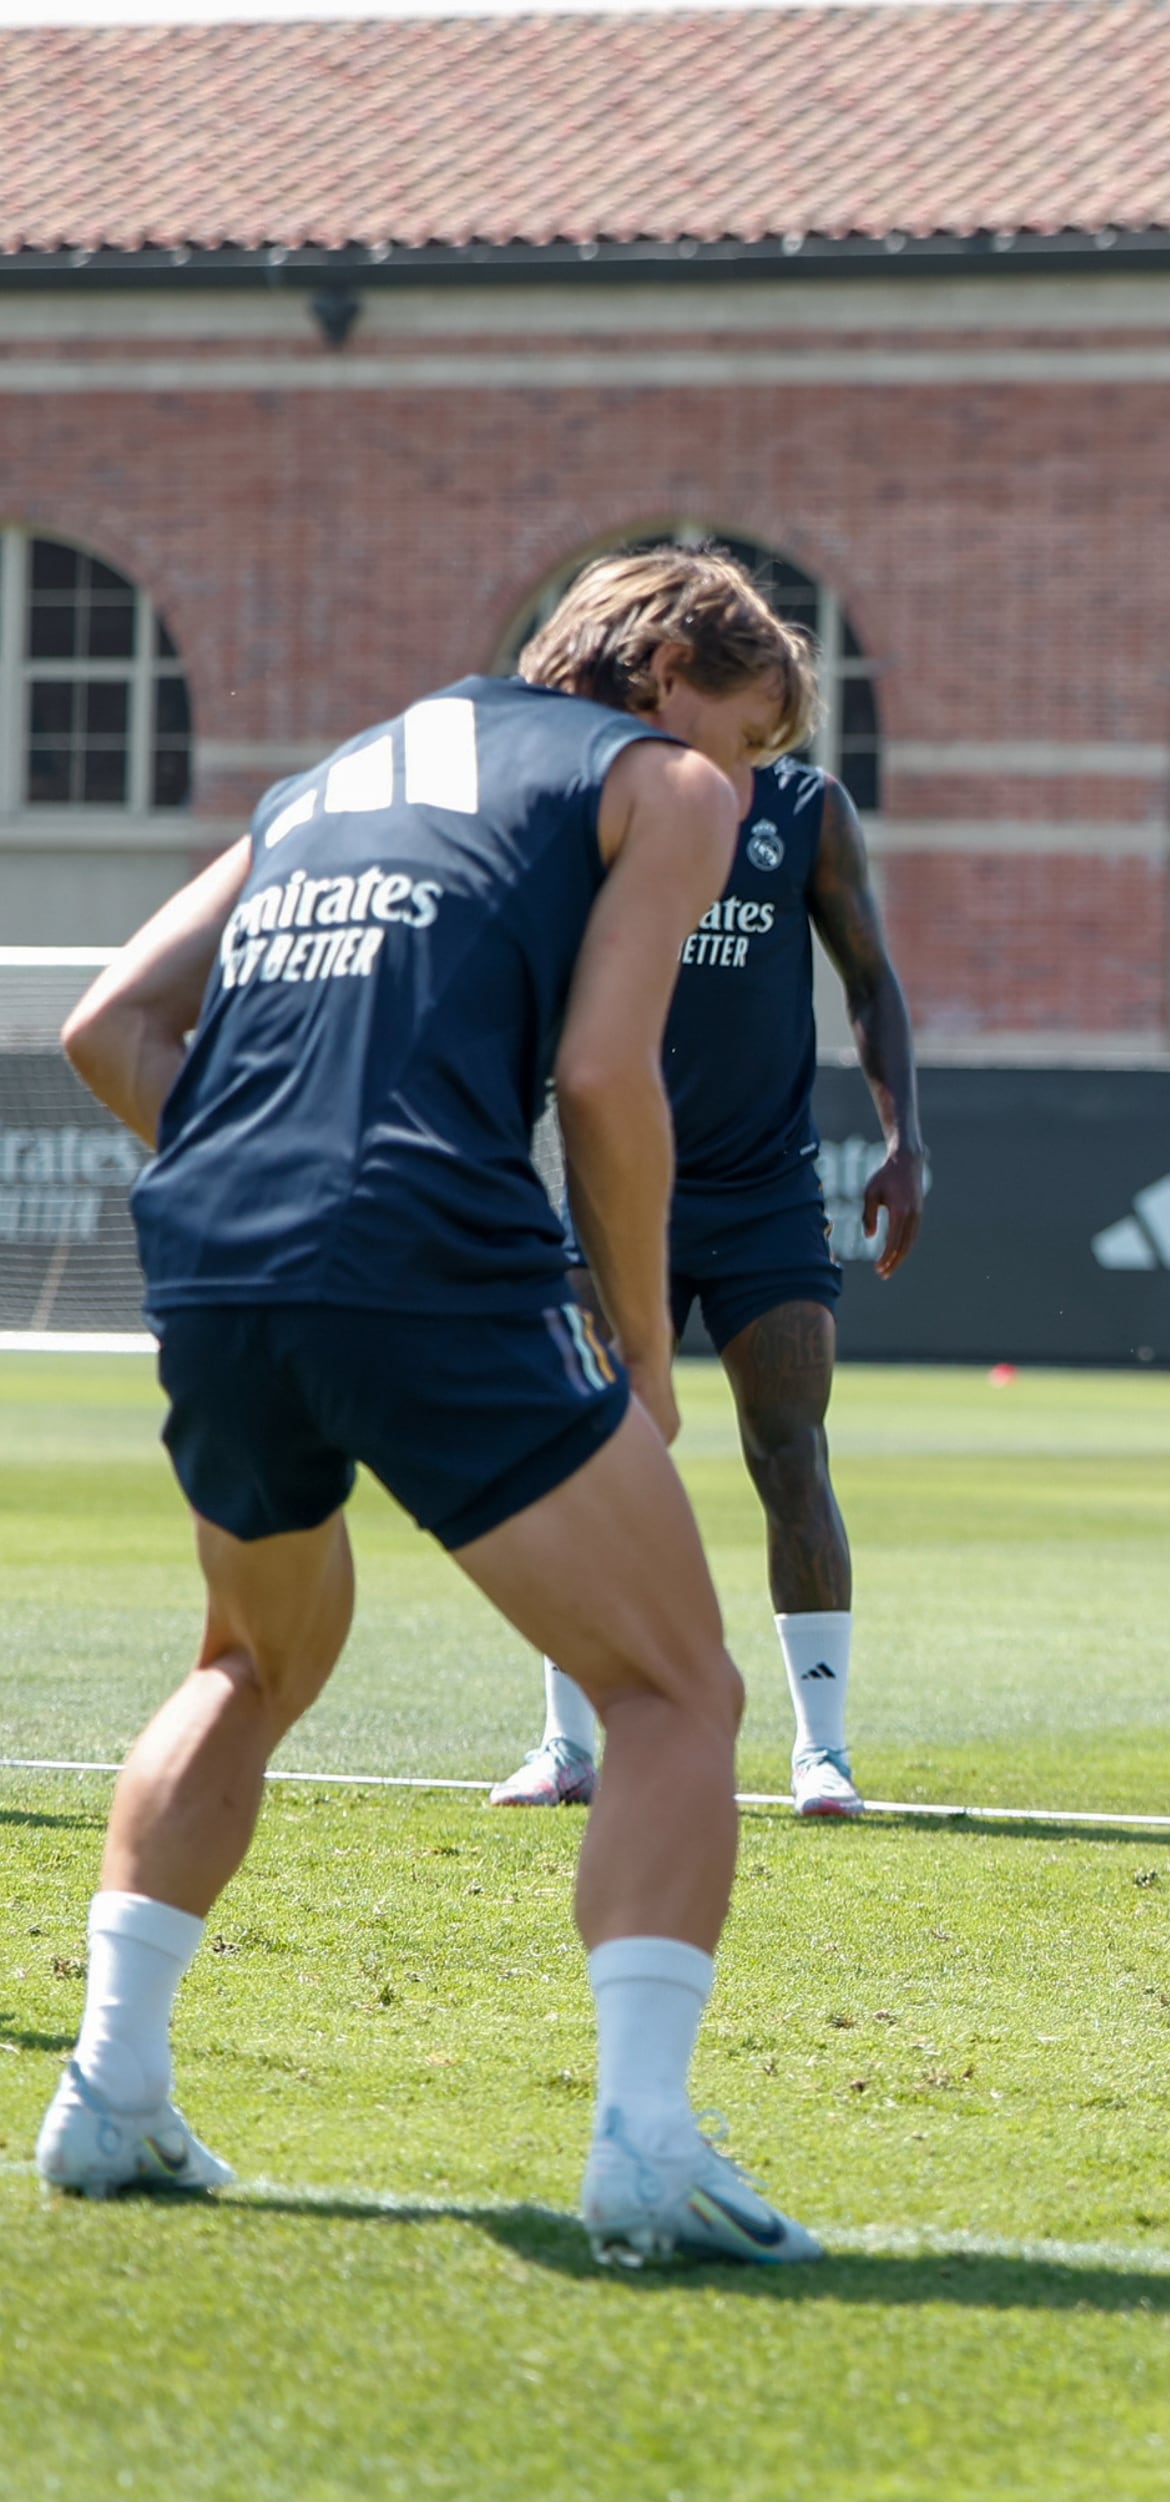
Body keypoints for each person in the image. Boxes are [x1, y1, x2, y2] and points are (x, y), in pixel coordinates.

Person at [38, 549, 829, 2264]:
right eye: (754, 737)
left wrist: (273, 1185)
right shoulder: (666, 786)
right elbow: (609, 1074)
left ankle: (110, 2091)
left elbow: (108, 1028)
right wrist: (638, 1341)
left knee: (247, 1661)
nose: (752, 783)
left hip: (213, 1244)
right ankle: (644, 2143)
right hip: (423, 1240)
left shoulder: (341, 768)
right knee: (674, 1687)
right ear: (673, 671)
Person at [496, 719, 927, 1821]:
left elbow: (871, 981)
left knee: (791, 1452)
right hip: (613, 1183)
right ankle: (566, 1740)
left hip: (767, 1195)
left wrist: (905, 1141)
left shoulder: (807, 809)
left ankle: (820, 1753)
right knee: (578, 1454)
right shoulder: (604, 801)